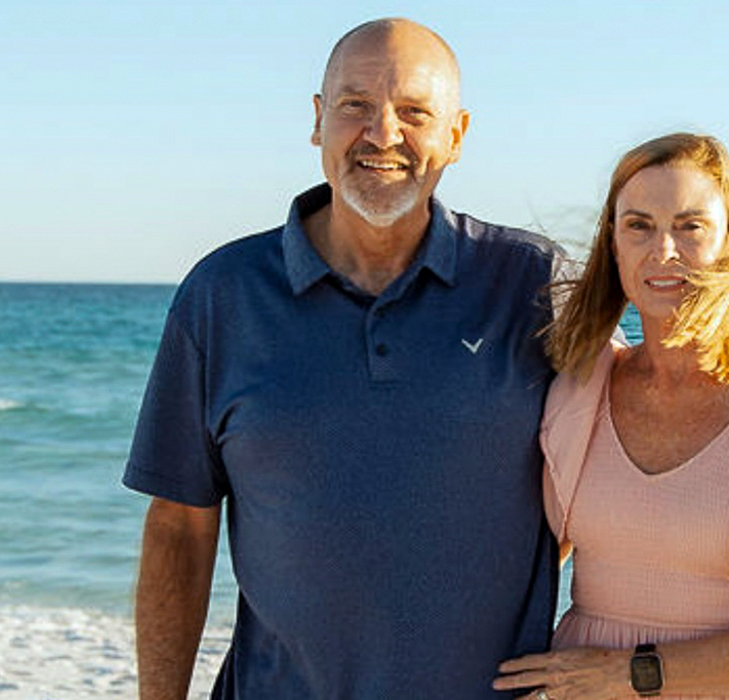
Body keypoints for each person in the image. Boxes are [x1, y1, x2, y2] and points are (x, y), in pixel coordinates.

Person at [124, 18, 561, 699]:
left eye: (415, 112)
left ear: (457, 134)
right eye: (356, 105)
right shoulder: (223, 294)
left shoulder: (531, 284)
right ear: (319, 120)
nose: (382, 134)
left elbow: (637, 458)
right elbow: (180, 525)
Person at [492, 133, 729, 700]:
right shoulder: (583, 387)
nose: (663, 250)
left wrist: (627, 674)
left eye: (690, 226)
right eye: (638, 225)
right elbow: (521, 569)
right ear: (613, 246)